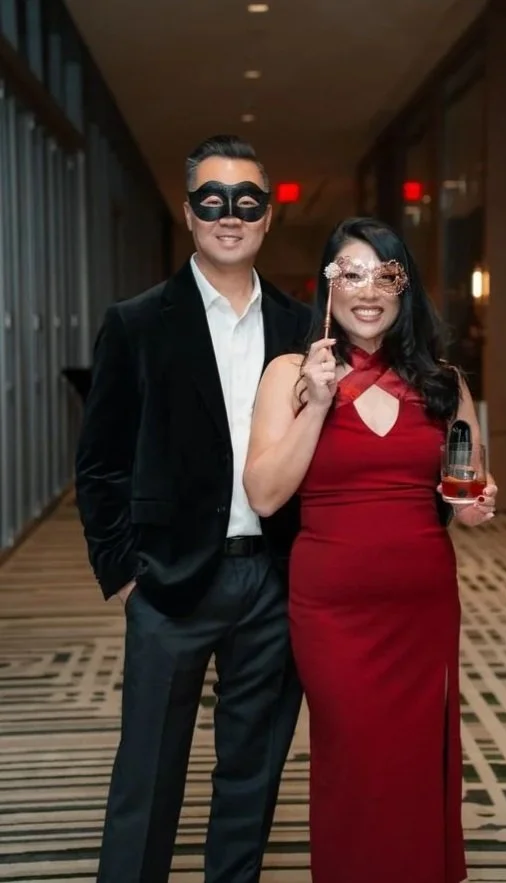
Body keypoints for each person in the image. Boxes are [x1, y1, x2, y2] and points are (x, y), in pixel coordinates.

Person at [75, 134, 312, 883]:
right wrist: (121, 571)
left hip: (271, 578)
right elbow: (101, 460)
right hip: (168, 583)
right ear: (188, 213)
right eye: (212, 200)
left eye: (246, 201)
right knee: (146, 775)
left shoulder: (304, 327)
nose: (229, 215)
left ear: (266, 217)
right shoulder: (138, 321)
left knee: (251, 772)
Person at [244, 217, 498, 883]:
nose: (367, 290)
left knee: (415, 762)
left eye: (383, 275)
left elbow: (465, 495)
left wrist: (475, 502)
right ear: (326, 286)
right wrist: (318, 404)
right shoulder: (289, 375)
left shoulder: (443, 383)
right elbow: (266, 495)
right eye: (350, 273)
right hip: (331, 610)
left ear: (402, 288)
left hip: (420, 606)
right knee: (353, 760)